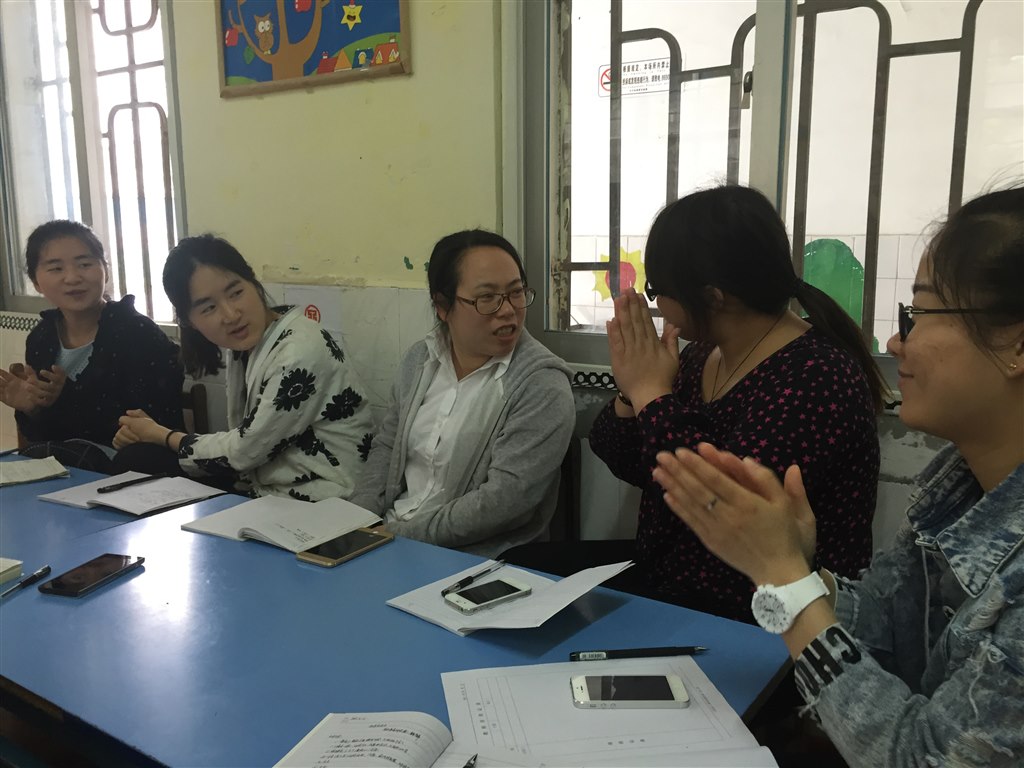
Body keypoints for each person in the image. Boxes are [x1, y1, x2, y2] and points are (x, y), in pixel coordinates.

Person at [653, 186, 1024, 766]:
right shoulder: (955, 489)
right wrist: (799, 572)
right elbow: (885, 630)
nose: (897, 340)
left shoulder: (815, 373)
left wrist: (781, 577)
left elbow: (922, 758)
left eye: (919, 314)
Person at [587, 185, 886, 621]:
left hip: (763, 618)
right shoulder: (700, 354)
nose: (657, 305)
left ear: (712, 297)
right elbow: (623, 455)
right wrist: (633, 392)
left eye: (658, 290)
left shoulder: (818, 376)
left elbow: (722, 510)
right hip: (671, 591)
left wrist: (652, 392)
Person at [349, 230, 575, 557]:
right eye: (487, 298)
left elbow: (504, 501)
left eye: (516, 292)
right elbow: (388, 445)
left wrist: (396, 536)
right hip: (392, 536)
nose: (508, 310)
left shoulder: (541, 384)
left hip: (476, 557)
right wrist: (358, 521)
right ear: (443, 306)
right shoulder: (420, 360)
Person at [115, 234, 374, 501]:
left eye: (236, 293)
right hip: (263, 484)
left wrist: (162, 435)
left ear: (253, 282)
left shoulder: (299, 351)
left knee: (144, 458)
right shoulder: (250, 345)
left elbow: (245, 450)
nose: (231, 315)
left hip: (324, 498)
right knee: (137, 458)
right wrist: (145, 433)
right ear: (189, 321)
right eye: (209, 308)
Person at [0, 220, 183, 471]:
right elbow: (46, 435)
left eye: (85, 264)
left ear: (105, 270)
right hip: (68, 468)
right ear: (36, 282)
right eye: (56, 268)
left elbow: (154, 425)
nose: (73, 278)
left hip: (132, 469)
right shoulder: (41, 338)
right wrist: (32, 409)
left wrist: (65, 396)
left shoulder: (138, 333)